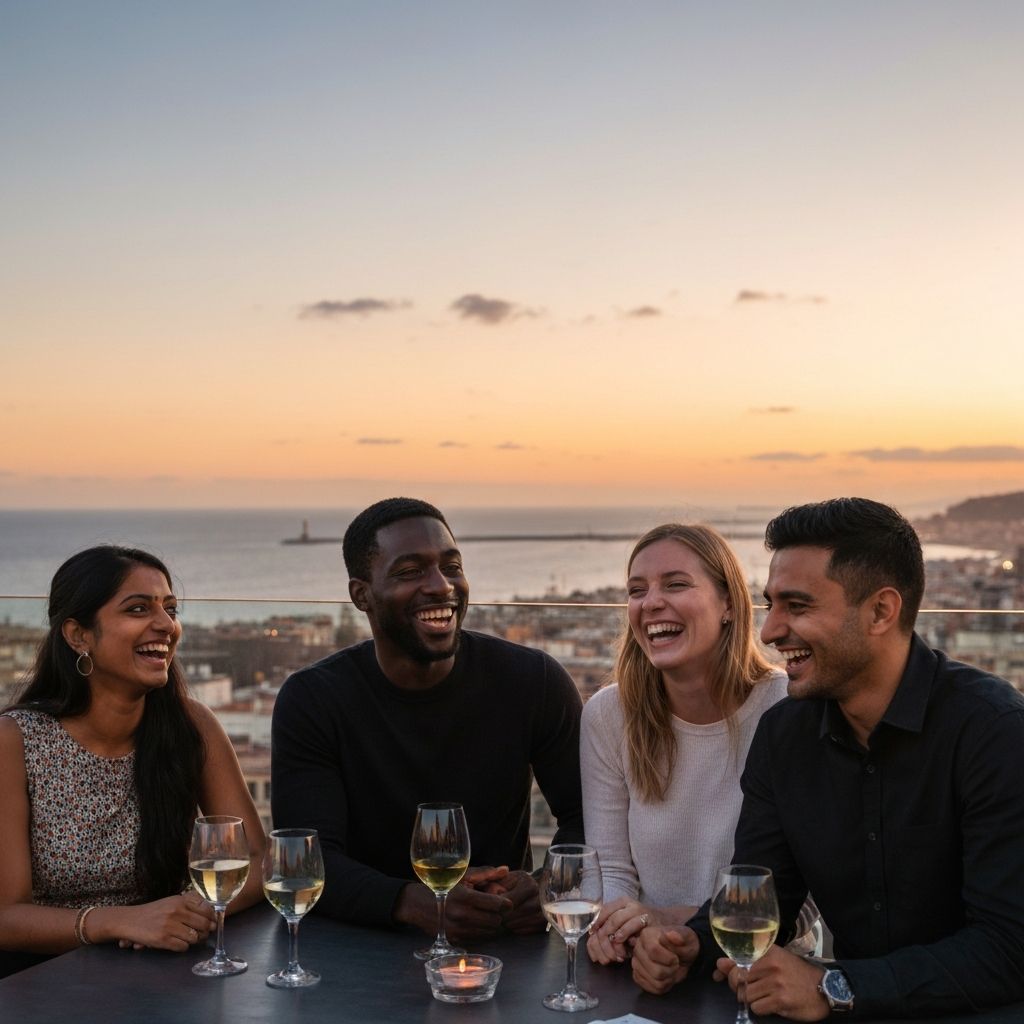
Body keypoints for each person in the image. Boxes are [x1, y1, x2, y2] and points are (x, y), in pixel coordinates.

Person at [632, 498, 1024, 1019]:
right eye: (771, 605)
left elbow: (1009, 947)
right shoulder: (784, 736)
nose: (769, 632)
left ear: (881, 611)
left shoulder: (992, 731)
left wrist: (834, 986)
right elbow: (765, 898)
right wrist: (690, 947)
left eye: (797, 606)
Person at [271, 497, 585, 941]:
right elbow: (305, 861)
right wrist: (413, 904)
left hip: (504, 940)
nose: (441, 586)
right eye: (410, 571)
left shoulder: (534, 681)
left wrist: (545, 885)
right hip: (358, 948)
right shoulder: (313, 700)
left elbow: (587, 817)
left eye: (452, 566)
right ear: (361, 595)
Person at [0, 546, 266, 978]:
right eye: (138, 609)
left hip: (169, 968)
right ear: (78, 635)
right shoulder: (15, 741)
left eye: (170, 609)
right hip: (43, 978)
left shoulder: (192, 726)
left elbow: (256, 858)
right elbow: (6, 917)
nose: (166, 625)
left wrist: (188, 914)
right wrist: (116, 922)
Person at [582, 524, 795, 966]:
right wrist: (623, 931)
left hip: (763, 967)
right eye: (636, 590)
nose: (650, 602)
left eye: (676, 584)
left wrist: (675, 925)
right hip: (648, 959)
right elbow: (609, 871)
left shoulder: (786, 707)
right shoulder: (608, 715)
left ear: (728, 605)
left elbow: (806, 897)